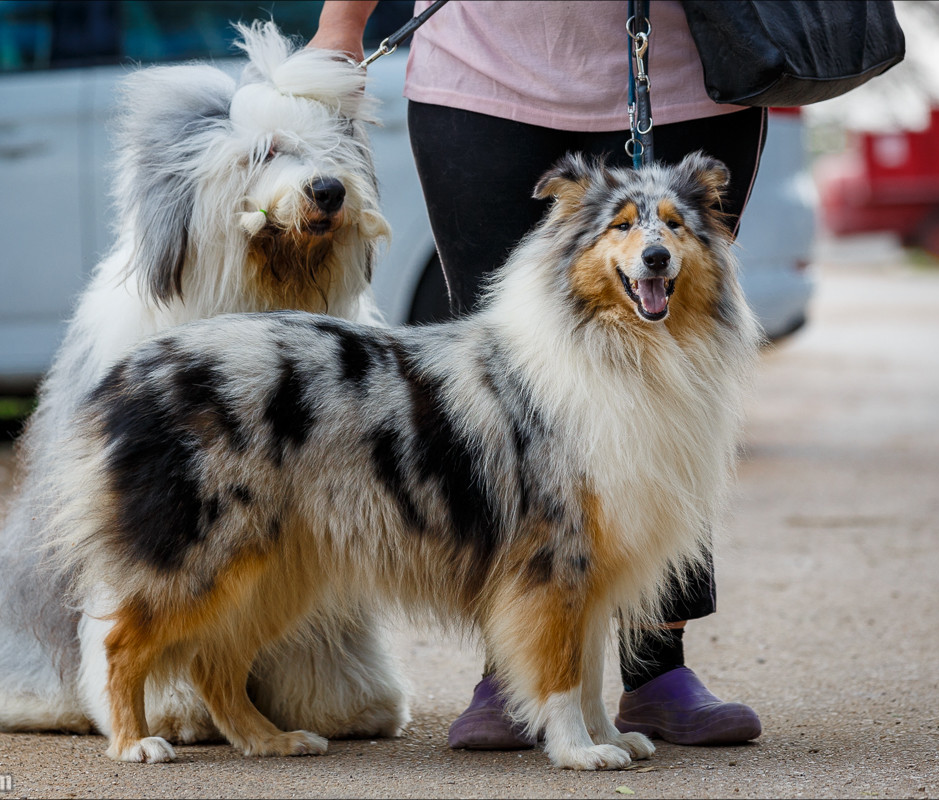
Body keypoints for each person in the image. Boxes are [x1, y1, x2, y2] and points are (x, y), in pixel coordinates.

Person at [310, 0, 763, 749]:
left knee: (673, 409)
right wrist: (340, 26)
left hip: (682, 70)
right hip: (480, 73)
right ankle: (514, 670)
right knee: (493, 411)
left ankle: (657, 670)